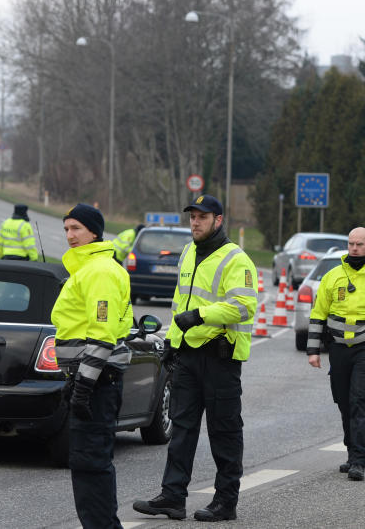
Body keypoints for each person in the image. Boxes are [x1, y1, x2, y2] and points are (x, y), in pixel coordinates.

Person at [133, 194, 257, 522]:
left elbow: (244, 305)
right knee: (182, 428)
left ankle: (225, 501)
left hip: (220, 358)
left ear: (218, 220)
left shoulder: (236, 259)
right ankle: (173, 497)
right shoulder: (188, 251)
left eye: (203, 217)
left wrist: (200, 316)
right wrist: (172, 342)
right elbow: (178, 301)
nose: (195, 223)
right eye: (192, 217)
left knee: (224, 432)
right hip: (187, 356)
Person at [50, 203, 133, 529]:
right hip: (93, 380)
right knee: (89, 464)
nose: (70, 235)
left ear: (94, 232)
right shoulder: (89, 269)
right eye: (67, 228)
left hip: (97, 383)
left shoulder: (99, 271)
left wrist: (83, 386)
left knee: (91, 464)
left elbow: (101, 335)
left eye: (76, 229)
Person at [306, 227, 365, 482]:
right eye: (351, 244)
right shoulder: (333, 275)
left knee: (361, 401)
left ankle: (359, 460)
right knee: (343, 401)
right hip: (338, 347)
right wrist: (313, 350)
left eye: (360, 244)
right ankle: (351, 452)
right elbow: (318, 313)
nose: (355, 248)